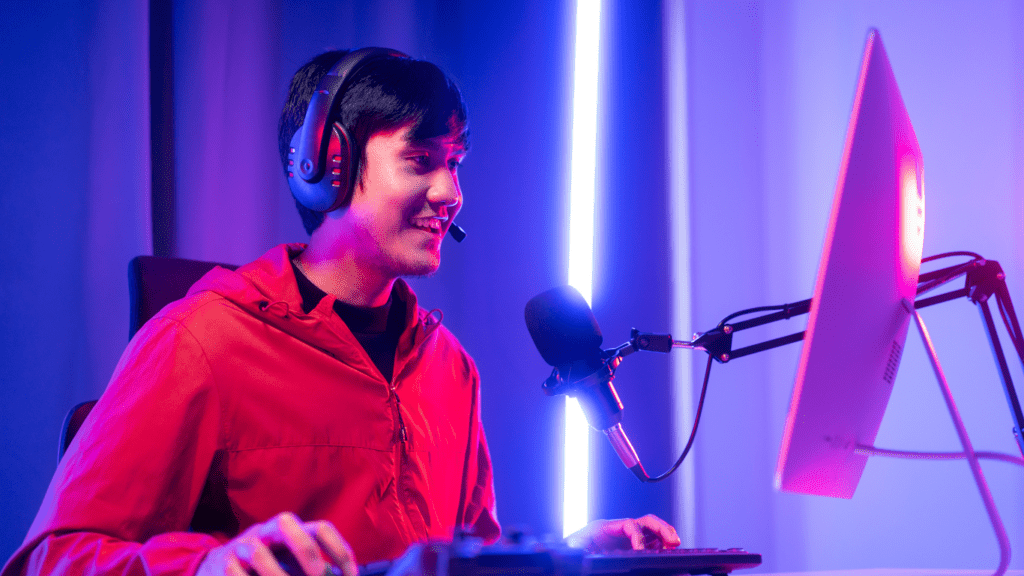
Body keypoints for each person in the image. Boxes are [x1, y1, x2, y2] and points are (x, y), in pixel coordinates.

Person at [2, 49, 679, 576]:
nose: (450, 192)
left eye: (455, 162)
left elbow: (459, 562)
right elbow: (49, 560)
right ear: (325, 164)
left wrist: (569, 557)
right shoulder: (199, 340)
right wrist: (206, 565)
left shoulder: (449, 368)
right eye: (420, 160)